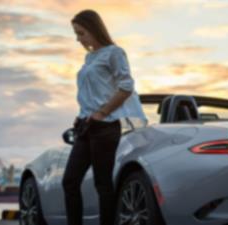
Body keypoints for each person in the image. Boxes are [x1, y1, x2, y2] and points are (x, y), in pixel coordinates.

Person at [62, 9, 147, 225]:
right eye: (76, 34)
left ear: (93, 29)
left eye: (81, 33)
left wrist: (102, 113)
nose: (78, 39)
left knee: (102, 183)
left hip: (105, 127)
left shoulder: (114, 53)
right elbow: (92, 92)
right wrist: (82, 114)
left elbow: (126, 87)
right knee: (70, 181)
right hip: (85, 126)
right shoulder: (89, 57)